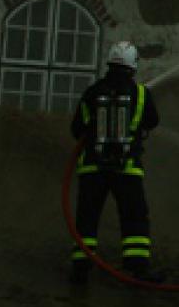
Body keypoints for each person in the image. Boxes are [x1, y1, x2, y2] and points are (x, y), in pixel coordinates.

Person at [68, 41, 161, 283]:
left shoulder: (92, 92)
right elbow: (153, 121)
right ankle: (137, 268)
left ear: (109, 63)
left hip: (92, 169)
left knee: (87, 217)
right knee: (134, 217)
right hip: (127, 169)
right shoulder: (141, 94)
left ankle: (81, 268)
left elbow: (76, 129)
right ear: (133, 66)